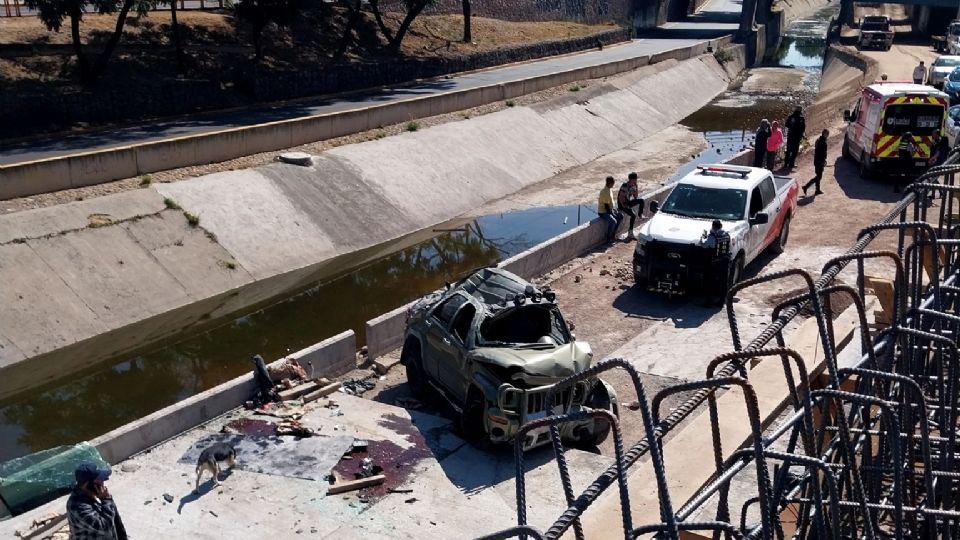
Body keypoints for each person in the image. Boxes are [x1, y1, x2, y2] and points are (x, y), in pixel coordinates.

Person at [67, 462, 127, 540]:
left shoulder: (92, 494)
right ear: (87, 485)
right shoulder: (77, 506)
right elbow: (105, 527)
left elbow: (115, 521)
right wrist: (106, 500)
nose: (103, 482)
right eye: (99, 480)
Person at [700, 220, 731, 306]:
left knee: (710, 282)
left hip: (714, 263)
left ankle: (709, 302)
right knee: (723, 282)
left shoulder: (712, 237)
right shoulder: (727, 235)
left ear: (713, 226)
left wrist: (703, 237)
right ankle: (721, 301)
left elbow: (703, 245)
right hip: (725, 261)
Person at [617, 172, 643, 240]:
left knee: (641, 201)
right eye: (636, 179)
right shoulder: (625, 185)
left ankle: (640, 215)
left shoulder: (633, 186)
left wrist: (636, 187)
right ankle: (630, 233)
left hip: (628, 202)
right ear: (632, 179)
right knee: (633, 215)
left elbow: (635, 197)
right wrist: (623, 206)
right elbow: (620, 197)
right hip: (622, 204)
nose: (636, 180)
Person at [803, 129, 829, 196]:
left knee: (818, 175)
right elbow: (822, 153)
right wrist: (823, 161)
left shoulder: (818, 140)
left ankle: (817, 190)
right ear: (825, 134)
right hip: (820, 162)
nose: (828, 136)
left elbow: (817, 152)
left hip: (816, 160)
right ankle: (806, 186)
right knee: (818, 177)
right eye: (827, 134)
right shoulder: (823, 143)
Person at [598, 176, 621, 243]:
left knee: (620, 216)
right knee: (613, 221)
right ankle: (608, 238)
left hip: (609, 210)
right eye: (613, 183)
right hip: (603, 212)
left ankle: (613, 233)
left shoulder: (609, 190)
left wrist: (614, 209)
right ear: (610, 183)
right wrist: (612, 213)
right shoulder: (605, 192)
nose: (613, 184)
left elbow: (610, 203)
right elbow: (606, 206)